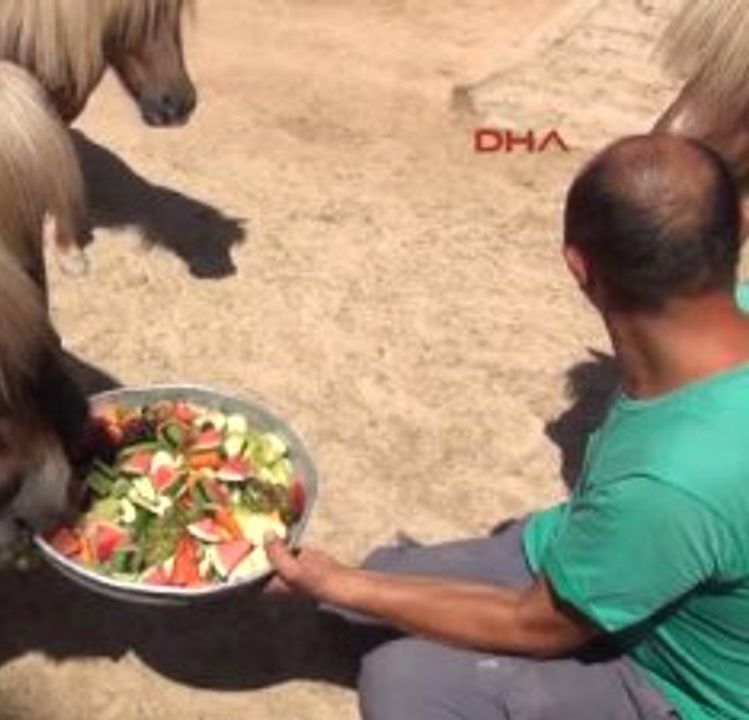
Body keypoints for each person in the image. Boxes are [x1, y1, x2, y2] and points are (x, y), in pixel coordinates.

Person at [265, 134, 749, 720]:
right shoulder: (728, 313)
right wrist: (354, 588)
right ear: (738, 230)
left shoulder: (673, 481)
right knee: (377, 590)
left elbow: (537, 625)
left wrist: (340, 583)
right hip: (617, 551)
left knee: (406, 682)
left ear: (580, 269)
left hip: (676, 679)